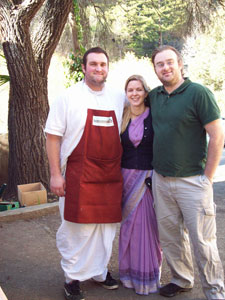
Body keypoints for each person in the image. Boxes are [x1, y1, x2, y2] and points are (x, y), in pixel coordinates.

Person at [45, 47, 126, 300]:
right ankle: (72, 277)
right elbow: (53, 137)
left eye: (103, 64)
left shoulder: (118, 96)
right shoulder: (68, 97)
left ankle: (100, 272)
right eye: (93, 64)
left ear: (108, 67)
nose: (98, 68)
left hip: (111, 176)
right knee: (75, 229)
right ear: (83, 67)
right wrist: (56, 175)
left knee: (106, 228)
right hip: (78, 174)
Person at [149, 45, 225, 300]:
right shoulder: (155, 96)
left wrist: (208, 178)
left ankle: (215, 290)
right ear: (155, 69)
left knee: (203, 241)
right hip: (161, 180)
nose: (165, 67)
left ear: (180, 64)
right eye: (160, 64)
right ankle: (182, 279)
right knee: (171, 238)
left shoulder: (198, 93)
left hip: (193, 182)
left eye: (170, 62)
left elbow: (217, 136)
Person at [119, 75, 162, 295]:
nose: (134, 93)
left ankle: (147, 273)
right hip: (125, 178)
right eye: (130, 90)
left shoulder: (154, 115)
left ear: (146, 92)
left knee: (147, 226)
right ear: (126, 94)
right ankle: (128, 273)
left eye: (138, 89)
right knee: (128, 227)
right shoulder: (122, 116)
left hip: (148, 178)